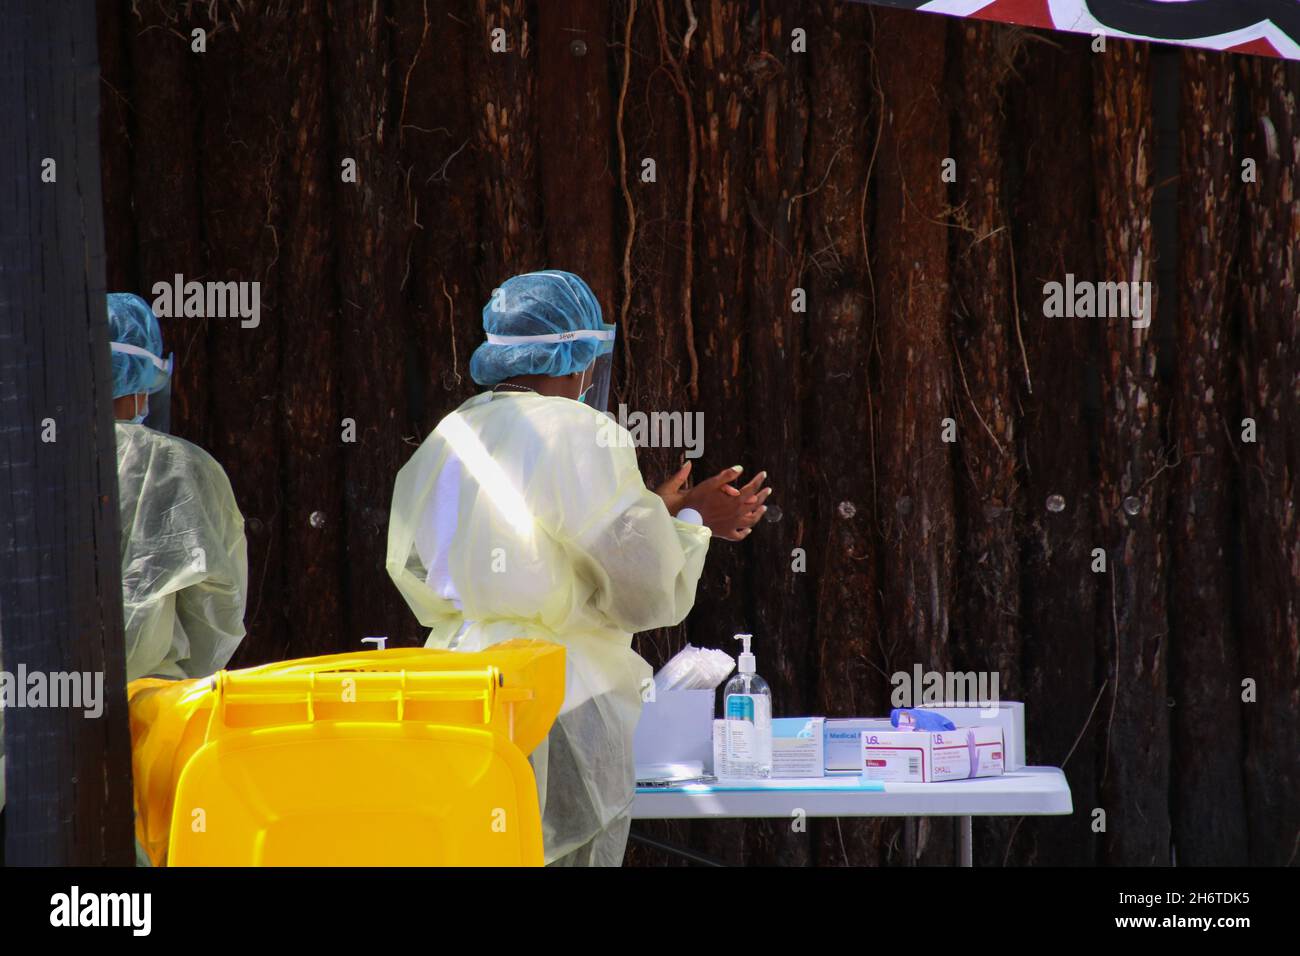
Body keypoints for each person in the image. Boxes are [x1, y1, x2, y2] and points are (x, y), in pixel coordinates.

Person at [387, 270, 770, 865]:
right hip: (562, 693)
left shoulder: (453, 433)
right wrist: (692, 524)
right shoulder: (580, 430)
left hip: (461, 691)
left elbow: (426, 558)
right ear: (576, 358)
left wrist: (655, 512)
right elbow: (641, 589)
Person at [0, 294, 249, 836]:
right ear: (142, 379)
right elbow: (215, 615)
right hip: (143, 724)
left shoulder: (21, 458)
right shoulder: (178, 469)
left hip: (16, 723)